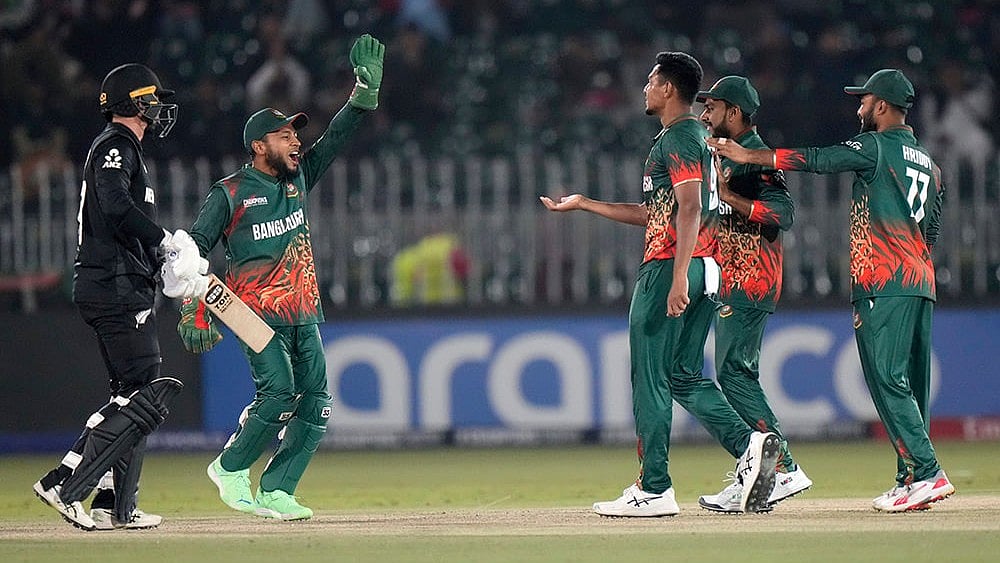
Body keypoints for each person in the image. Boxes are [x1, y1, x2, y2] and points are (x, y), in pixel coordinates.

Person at [540, 51, 780, 517]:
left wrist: (675, 278)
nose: (645, 89)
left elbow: (689, 208)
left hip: (674, 266)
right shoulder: (694, 140)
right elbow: (659, 214)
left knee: (649, 376)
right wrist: (586, 204)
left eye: (651, 81)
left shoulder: (679, 138)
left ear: (668, 89)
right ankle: (752, 448)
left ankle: (654, 488)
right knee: (682, 377)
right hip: (704, 266)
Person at [710, 69, 954, 512]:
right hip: (920, 280)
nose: (858, 109)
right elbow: (932, 230)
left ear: (881, 106)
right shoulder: (931, 166)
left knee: (886, 379)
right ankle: (911, 477)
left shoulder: (875, 146)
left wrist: (753, 158)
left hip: (883, 279)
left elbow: (820, 159)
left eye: (863, 102)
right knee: (910, 385)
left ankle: (929, 472)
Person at [177, 34, 385, 521]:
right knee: (278, 392)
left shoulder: (298, 178)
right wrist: (194, 306)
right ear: (258, 145)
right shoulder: (228, 193)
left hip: (302, 308)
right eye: (285, 135)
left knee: (317, 404)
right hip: (249, 311)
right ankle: (230, 468)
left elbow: (334, 139)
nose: (296, 140)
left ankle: (277, 490)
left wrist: (361, 97)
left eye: (296, 133)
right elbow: (191, 252)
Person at [32, 63, 208, 531]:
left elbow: (116, 217)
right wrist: (164, 240)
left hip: (117, 282)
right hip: (113, 287)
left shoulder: (122, 148)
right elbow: (114, 206)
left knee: (133, 395)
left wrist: (158, 262)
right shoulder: (116, 144)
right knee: (144, 395)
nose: (158, 107)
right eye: (151, 98)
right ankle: (63, 483)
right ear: (134, 102)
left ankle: (117, 505)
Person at [694, 76, 812, 512]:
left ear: (736, 113)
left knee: (734, 375)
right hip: (734, 277)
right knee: (733, 373)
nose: (705, 115)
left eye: (713, 108)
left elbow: (783, 214)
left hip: (752, 278)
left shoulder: (755, 158)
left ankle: (782, 467)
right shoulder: (725, 155)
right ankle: (757, 470)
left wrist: (728, 195)